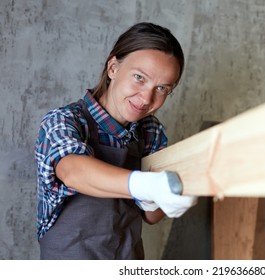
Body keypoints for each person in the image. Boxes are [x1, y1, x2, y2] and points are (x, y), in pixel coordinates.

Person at [34, 22, 198, 260]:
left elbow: (151, 217)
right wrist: (148, 185)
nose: (146, 97)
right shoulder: (65, 120)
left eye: (162, 88)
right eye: (139, 78)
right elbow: (73, 172)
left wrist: (177, 191)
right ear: (113, 68)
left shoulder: (151, 131)